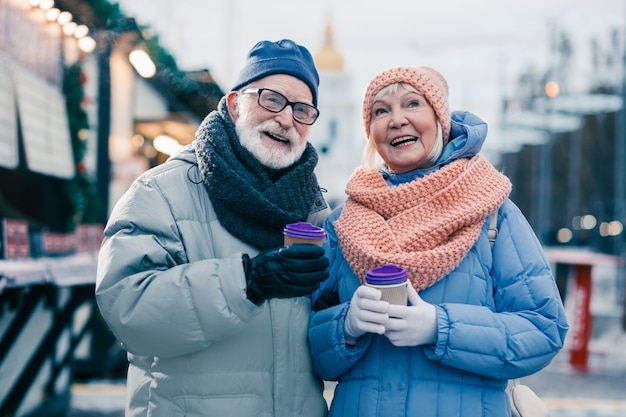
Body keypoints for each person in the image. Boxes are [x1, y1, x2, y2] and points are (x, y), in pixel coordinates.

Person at [308, 66, 569, 417]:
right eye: (380, 111)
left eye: (412, 104)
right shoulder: (343, 224)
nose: (396, 119)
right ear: (371, 133)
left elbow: (544, 330)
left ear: (440, 119)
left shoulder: (491, 213)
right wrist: (345, 327)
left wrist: (440, 327)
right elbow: (297, 342)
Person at [96, 39, 331, 417]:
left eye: (302, 110)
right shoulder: (161, 191)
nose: (286, 119)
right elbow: (128, 310)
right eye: (272, 99)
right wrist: (247, 281)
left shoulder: (314, 210)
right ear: (235, 104)